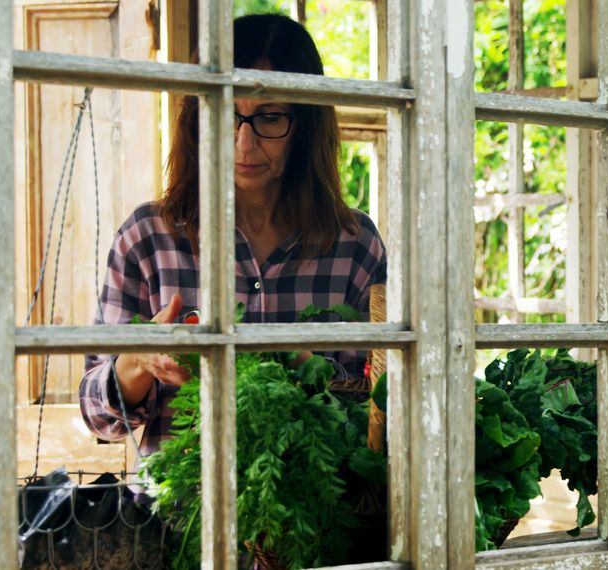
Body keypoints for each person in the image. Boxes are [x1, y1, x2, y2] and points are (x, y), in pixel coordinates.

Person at [79, 14, 387, 456]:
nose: (244, 143)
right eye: (226, 114)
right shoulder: (148, 237)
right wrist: (137, 364)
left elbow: (385, 406)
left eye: (270, 117)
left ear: (306, 124)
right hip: (175, 515)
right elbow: (97, 419)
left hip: (314, 516)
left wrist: (302, 367)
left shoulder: (354, 244)